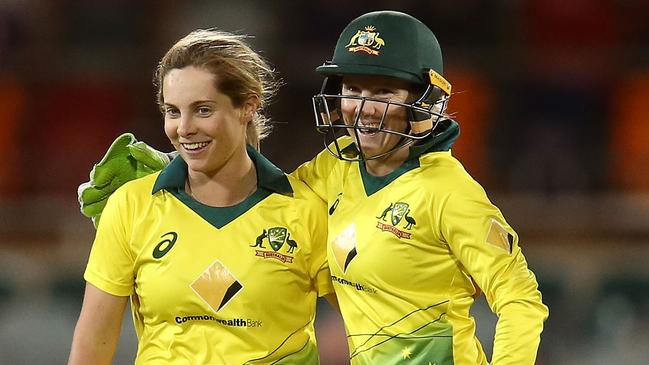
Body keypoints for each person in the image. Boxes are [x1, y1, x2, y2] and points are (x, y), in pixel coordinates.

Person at [78, 11, 548, 365]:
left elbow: (521, 302)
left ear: (423, 100)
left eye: (383, 93)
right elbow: (255, 193)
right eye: (353, 91)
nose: (363, 110)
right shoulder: (332, 173)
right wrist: (163, 182)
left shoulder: (451, 193)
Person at [68, 29, 336, 365]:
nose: (184, 128)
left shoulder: (307, 209)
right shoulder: (131, 205)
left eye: (203, 110)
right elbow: (93, 342)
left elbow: (365, 325)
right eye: (173, 111)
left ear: (248, 107)